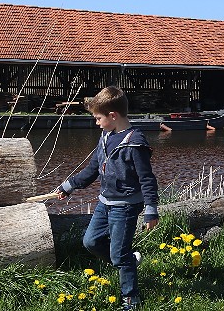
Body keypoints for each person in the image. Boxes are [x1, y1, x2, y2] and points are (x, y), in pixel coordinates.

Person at [57, 86, 159, 310]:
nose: (96, 123)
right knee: (91, 242)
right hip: (105, 203)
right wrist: (69, 185)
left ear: (113, 116)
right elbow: (93, 168)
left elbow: (147, 179)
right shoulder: (105, 136)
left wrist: (151, 208)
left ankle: (131, 300)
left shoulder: (135, 143)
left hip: (125, 206)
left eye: (98, 118)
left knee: (119, 255)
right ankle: (127, 260)